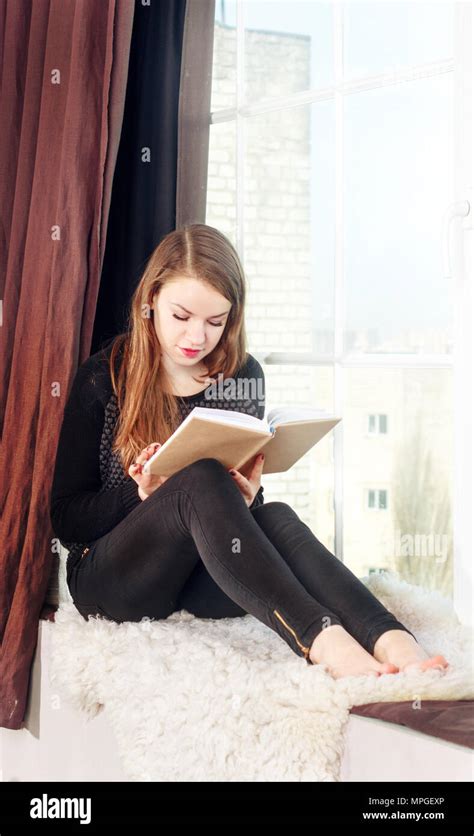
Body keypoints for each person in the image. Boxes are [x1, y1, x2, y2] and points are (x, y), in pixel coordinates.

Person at [50, 224, 449, 679]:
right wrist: (138, 496)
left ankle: (391, 639)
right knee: (198, 477)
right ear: (152, 300)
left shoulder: (242, 375)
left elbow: (234, 526)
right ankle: (323, 641)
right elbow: (65, 518)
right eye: (182, 316)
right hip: (112, 579)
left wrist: (246, 497)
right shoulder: (105, 377)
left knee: (274, 515)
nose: (196, 337)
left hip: (199, 574)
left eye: (215, 322)